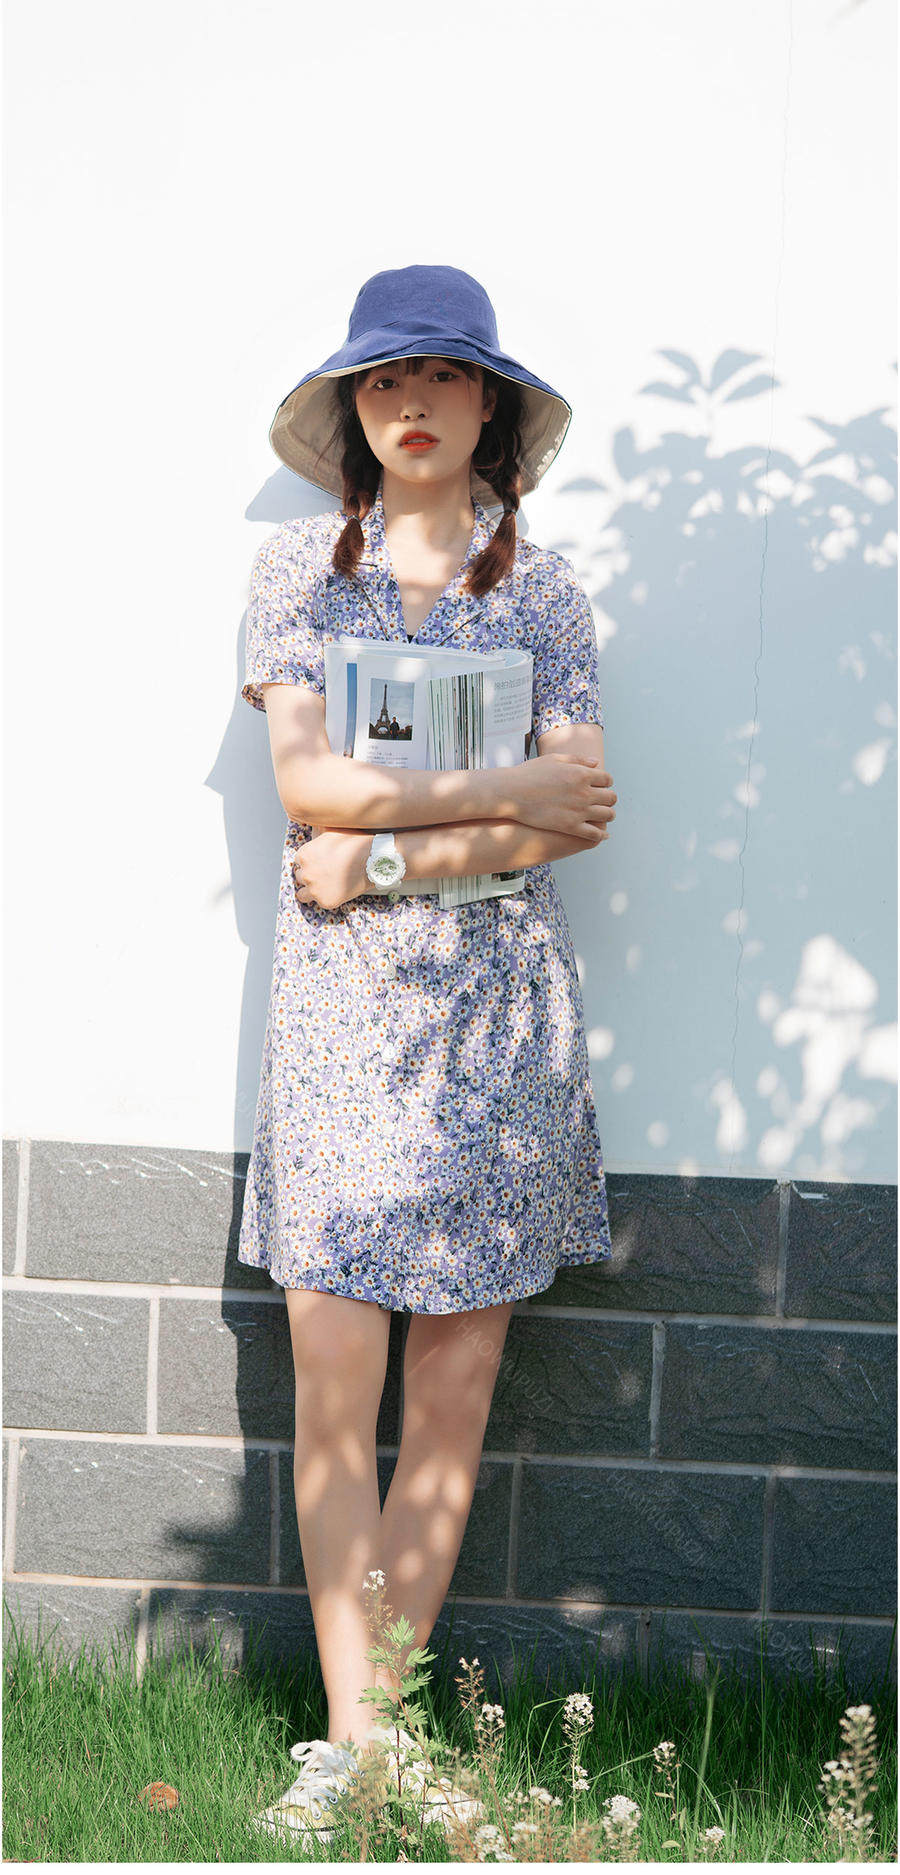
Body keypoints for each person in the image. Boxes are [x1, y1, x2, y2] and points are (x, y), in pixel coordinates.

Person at [239, 264, 618, 1847]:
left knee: (450, 1392)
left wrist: (390, 854)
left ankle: (370, 1737)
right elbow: (307, 787)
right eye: (385, 379)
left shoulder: (547, 596)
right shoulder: (296, 574)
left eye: (443, 376)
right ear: (352, 409)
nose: (412, 403)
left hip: (497, 1023)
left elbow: (578, 807)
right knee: (336, 1389)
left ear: (491, 407)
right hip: (339, 1026)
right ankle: (360, 1747)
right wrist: (490, 797)